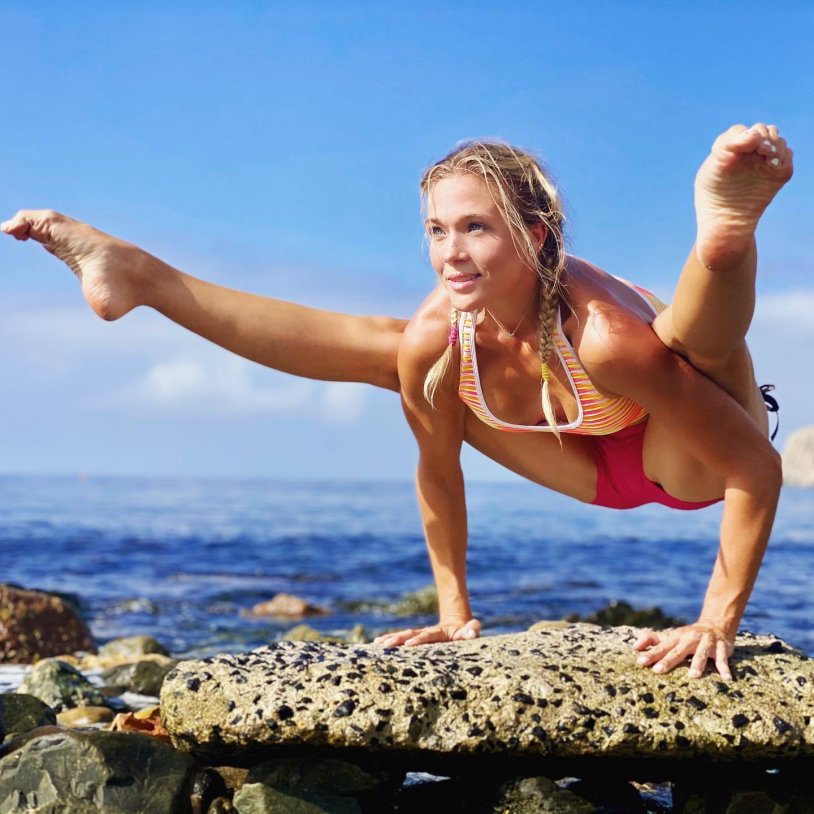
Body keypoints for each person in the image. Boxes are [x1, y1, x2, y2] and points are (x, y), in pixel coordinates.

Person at [1, 123, 793, 681]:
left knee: (692, 346)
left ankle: (723, 245)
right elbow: (437, 474)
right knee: (401, 354)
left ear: (540, 234)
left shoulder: (606, 337)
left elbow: (756, 468)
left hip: (685, 454)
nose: (451, 250)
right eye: (437, 229)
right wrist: (453, 612)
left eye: (477, 228)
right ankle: (142, 277)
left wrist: (716, 619)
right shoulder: (437, 338)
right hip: (584, 457)